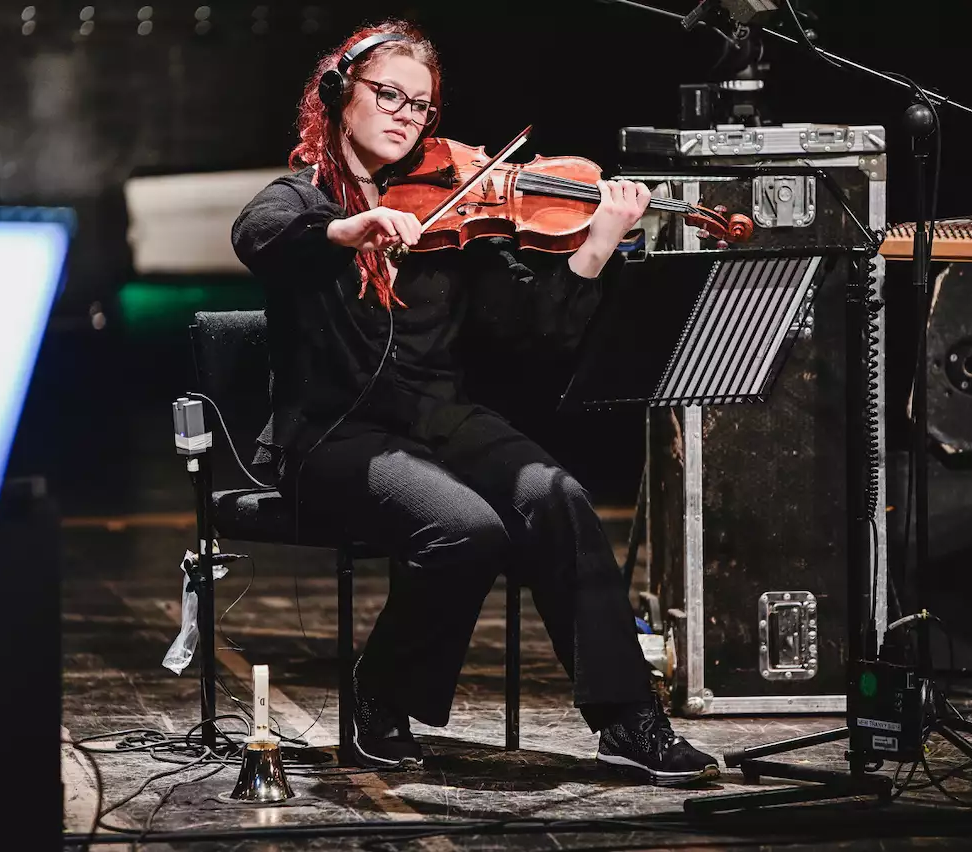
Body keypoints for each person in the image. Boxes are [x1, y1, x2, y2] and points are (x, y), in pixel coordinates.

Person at [231, 20, 719, 786]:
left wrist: (597, 243)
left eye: (421, 105)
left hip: (440, 417)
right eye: (388, 95)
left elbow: (533, 331)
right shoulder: (303, 198)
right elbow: (257, 235)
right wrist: (349, 228)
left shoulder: (454, 204)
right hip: (334, 432)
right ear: (339, 95)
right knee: (466, 528)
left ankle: (628, 721)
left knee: (558, 498)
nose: (406, 115)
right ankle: (381, 696)